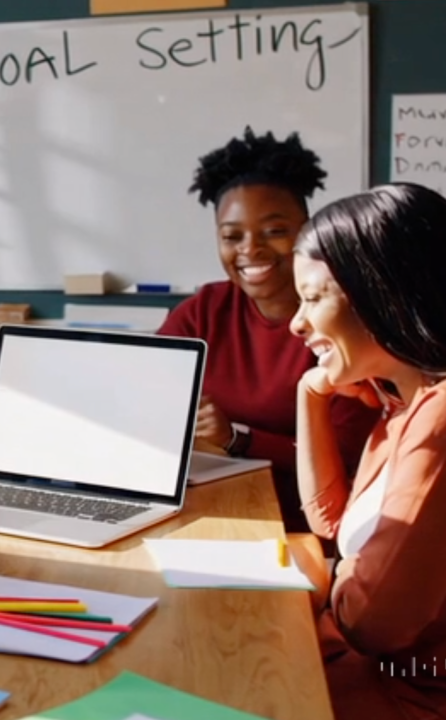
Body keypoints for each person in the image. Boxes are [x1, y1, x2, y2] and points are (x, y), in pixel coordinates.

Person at [159, 127, 378, 531]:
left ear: (307, 231)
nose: (250, 249)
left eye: (275, 231)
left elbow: (349, 453)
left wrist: (238, 438)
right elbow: (144, 390)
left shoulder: (347, 318)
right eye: (232, 236)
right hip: (212, 511)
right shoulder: (204, 310)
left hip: (308, 526)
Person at [290, 183, 446, 719]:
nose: (296, 323)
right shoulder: (405, 404)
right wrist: (310, 395)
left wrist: (325, 586)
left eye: (313, 299)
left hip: (406, 695)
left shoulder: (439, 419)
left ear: (382, 292)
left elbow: (371, 623)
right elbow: (332, 526)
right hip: (371, 673)